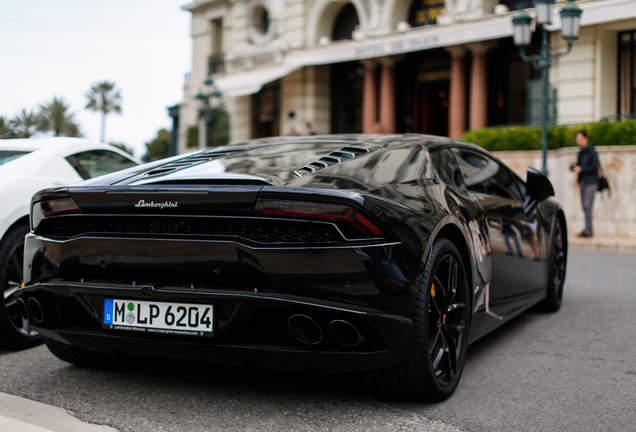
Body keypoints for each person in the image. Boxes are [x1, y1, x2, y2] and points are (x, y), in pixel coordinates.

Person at [570, 130, 599, 237]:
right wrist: (573, 167)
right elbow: (578, 165)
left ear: (586, 138)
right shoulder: (580, 153)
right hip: (583, 181)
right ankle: (587, 228)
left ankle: (588, 230)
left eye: (580, 138)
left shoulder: (592, 151)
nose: (578, 141)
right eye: (577, 139)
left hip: (591, 182)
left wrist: (582, 169)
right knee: (584, 206)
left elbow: (594, 167)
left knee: (587, 205)